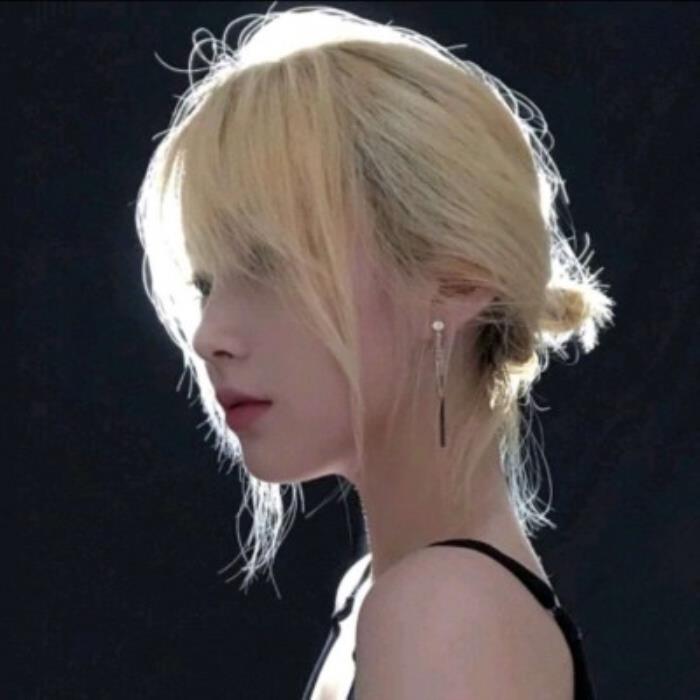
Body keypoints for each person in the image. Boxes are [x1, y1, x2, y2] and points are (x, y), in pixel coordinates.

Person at [135, 4, 614, 697]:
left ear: (455, 282)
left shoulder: (444, 613)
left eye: (267, 266)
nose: (208, 335)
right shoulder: (386, 594)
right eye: (207, 284)